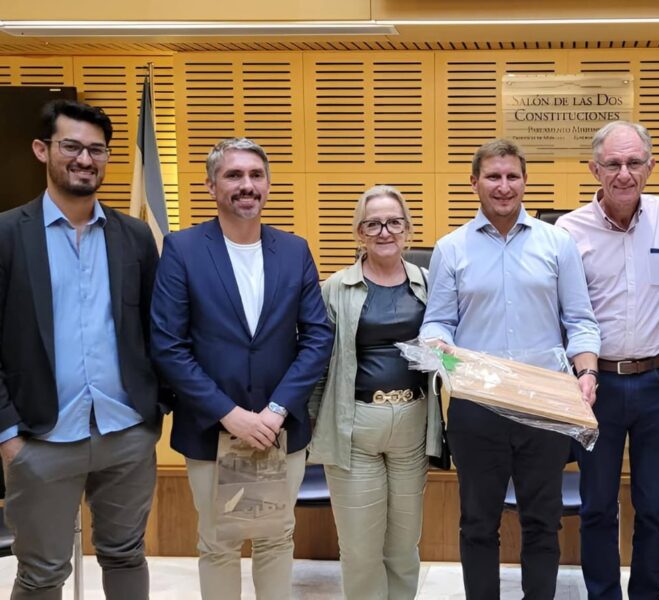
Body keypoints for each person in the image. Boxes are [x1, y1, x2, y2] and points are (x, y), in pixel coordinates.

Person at [150, 137, 333, 600]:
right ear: (211, 186)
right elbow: (169, 346)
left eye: (256, 175)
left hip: (280, 429)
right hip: (211, 428)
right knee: (218, 544)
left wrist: (275, 410)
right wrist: (230, 414)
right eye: (233, 175)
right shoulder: (182, 249)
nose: (246, 184)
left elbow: (317, 337)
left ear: (268, 185)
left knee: (277, 538)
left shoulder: (294, 250)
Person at [420, 138, 601, 599]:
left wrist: (587, 373)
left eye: (512, 176)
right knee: (478, 523)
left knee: (543, 522)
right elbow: (438, 322)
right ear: (474, 183)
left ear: (525, 181)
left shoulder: (557, 244)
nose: (503, 186)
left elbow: (580, 320)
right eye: (493, 177)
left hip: (545, 407)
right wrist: (439, 349)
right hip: (477, 407)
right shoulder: (451, 248)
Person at [0, 99, 164, 599]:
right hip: (40, 438)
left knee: (126, 555)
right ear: (41, 149)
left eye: (97, 149)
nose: (84, 159)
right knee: (41, 573)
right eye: (71, 146)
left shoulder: (135, 236)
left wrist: (153, 413)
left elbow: (156, 330)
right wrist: (7, 435)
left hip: (126, 431)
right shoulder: (6, 235)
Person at [556, 121, 659, 599]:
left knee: (654, 505)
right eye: (613, 163)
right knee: (596, 506)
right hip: (596, 386)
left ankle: (646, 594)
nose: (624, 173)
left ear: (650, 167)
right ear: (595, 169)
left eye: (634, 162)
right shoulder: (568, 231)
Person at [308, 184, 443, 599]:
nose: (385, 232)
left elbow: (450, 351)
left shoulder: (430, 284)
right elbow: (317, 363)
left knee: (403, 548)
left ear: (408, 229)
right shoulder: (335, 288)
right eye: (373, 224)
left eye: (394, 222)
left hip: (413, 426)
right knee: (361, 551)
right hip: (354, 429)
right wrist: (314, 424)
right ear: (359, 233)